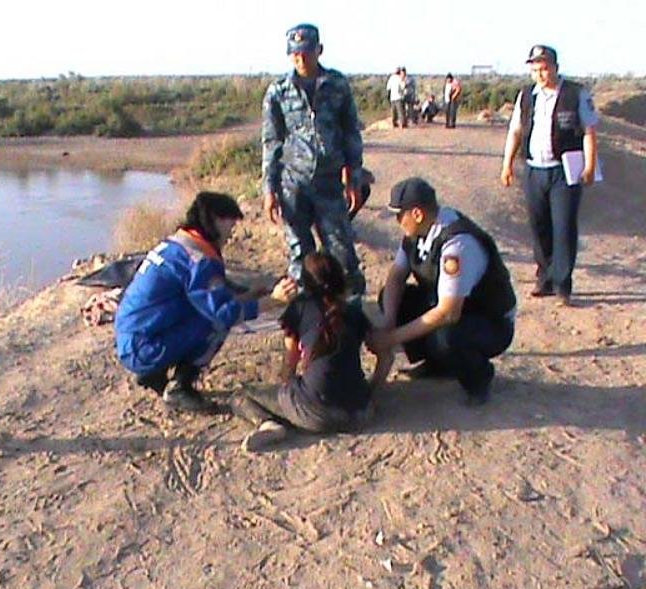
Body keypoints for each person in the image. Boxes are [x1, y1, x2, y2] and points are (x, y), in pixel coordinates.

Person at [115, 191, 297, 413]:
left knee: (207, 313)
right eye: (231, 226)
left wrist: (251, 294)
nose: (231, 235)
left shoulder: (178, 244)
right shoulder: (200, 260)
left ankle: (153, 372)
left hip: (132, 338)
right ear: (216, 220)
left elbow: (204, 297)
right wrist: (273, 300)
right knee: (217, 323)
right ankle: (179, 387)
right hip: (144, 348)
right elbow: (224, 313)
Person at [372, 177, 516, 404]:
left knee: (446, 336)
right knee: (396, 300)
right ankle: (438, 365)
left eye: (400, 214)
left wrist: (390, 339)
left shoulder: (456, 245)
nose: (398, 220)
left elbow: (449, 312)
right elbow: (396, 278)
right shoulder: (419, 232)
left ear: (417, 214)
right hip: (454, 306)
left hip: (490, 321)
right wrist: (389, 321)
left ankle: (478, 378)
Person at [231, 252, 390, 452]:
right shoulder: (355, 313)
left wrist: (286, 391)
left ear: (306, 284)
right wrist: (372, 392)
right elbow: (386, 357)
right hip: (360, 414)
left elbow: (290, 365)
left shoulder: (299, 308)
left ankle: (269, 423)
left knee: (240, 395)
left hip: (314, 414)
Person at [262, 23, 367, 297]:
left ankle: (351, 313)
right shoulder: (278, 91)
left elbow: (350, 134)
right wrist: (269, 189)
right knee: (300, 254)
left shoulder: (338, 85)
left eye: (306, 52)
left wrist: (353, 178)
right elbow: (271, 143)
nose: (301, 59)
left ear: (319, 50)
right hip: (293, 184)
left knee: (342, 252)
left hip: (329, 183)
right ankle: (308, 313)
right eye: (295, 54)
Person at [500, 45, 599, 306]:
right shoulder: (526, 96)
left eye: (544, 68)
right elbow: (516, 131)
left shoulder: (575, 94)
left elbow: (589, 131)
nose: (540, 74)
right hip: (534, 170)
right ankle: (544, 278)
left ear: (555, 67)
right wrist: (507, 164)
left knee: (564, 226)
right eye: (535, 69)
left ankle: (562, 284)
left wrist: (589, 166)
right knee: (539, 225)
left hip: (564, 171)